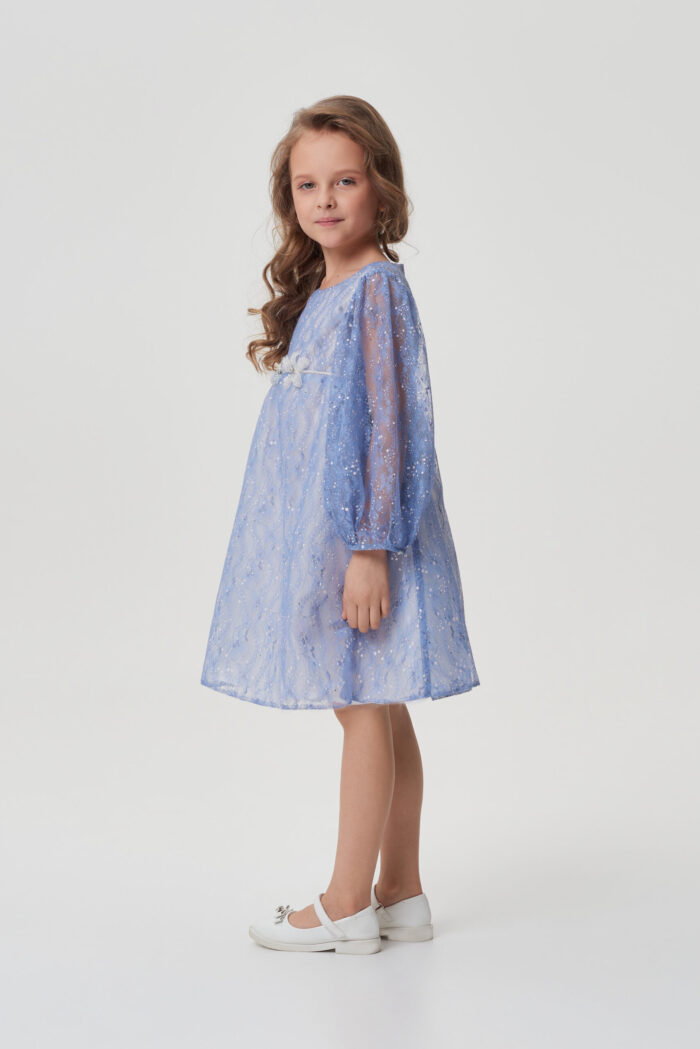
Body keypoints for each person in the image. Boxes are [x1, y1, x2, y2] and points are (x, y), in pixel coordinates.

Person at [200, 95, 480, 954]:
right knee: (376, 701)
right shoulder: (327, 289)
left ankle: (346, 901)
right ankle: (400, 890)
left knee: (360, 700)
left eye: (345, 181)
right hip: (327, 535)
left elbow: (391, 424)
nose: (325, 199)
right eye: (307, 184)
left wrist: (370, 547)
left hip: (361, 538)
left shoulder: (377, 289)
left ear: (381, 187)